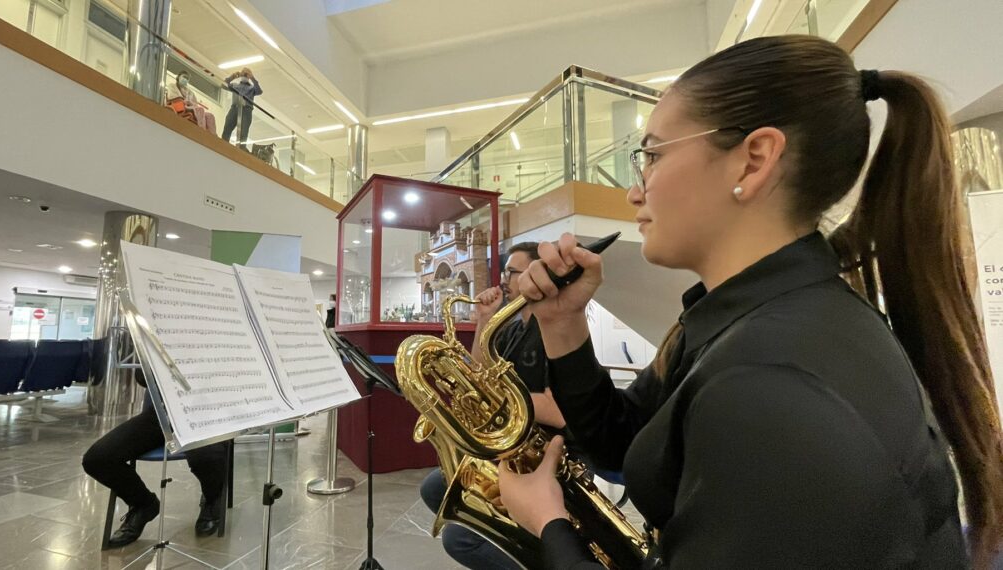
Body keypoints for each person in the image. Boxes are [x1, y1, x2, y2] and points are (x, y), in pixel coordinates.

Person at [497, 35, 1003, 569]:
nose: (634, 190)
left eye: (652, 154)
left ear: (754, 160)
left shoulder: (770, 377)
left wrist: (550, 526)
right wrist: (563, 323)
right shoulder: (742, 318)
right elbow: (623, 444)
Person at [418, 241, 563, 570]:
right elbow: (480, 372)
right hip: (509, 447)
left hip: (542, 455)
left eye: (512, 272)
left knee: (460, 540)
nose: (503, 280)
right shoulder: (511, 326)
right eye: (505, 272)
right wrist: (484, 320)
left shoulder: (552, 329)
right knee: (433, 488)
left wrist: (502, 398)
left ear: (536, 274)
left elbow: (558, 410)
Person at [82, 378, 231, 548]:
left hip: (211, 413)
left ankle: (212, 498)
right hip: (164, 413)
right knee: (98, 459)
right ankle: (143, 504)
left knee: (205, 454)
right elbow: (140, 375)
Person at [221, 67, 262, 145]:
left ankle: (241, 150)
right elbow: (223, 85)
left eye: (246, 74)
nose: (244, 75)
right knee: (227, 128)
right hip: (234, 108)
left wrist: (252, 77)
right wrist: (232, 77)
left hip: (246, 110)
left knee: (243, 133)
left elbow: (259, 91)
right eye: (243, 73)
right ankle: (223, 145)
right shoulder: (235, 85)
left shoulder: (251, 88)